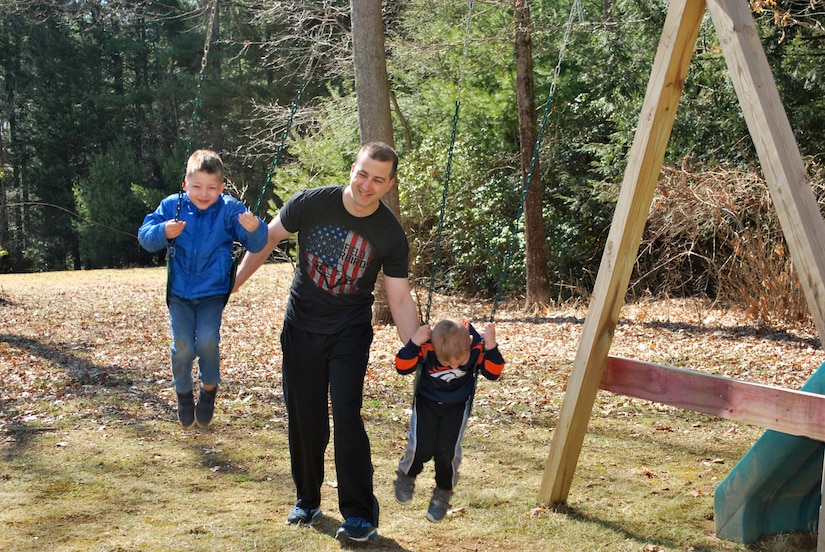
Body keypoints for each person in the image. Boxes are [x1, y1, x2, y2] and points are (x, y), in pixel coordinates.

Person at [232, 142, 419, 542]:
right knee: (305, 416)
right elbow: (266, 239)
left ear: (388, 185)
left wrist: (415, 346)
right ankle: (307, 500)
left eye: (378, 180)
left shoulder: (389, 233)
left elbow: (400, 297)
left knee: (347, 416)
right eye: (363, 174)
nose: (367, 185)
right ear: (354, 168)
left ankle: (358, 514)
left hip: (349, 331)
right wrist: (229, 287)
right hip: (301, 326)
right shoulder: (312, 203)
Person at [138, 149, 268, 429]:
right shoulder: (173, 205)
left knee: (207, 342)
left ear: (221, 188)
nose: (204, 193)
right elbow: (145, 237)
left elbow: (257, 244)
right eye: (196, 186)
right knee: (183, 347)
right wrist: (164, 231)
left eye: (211, 188)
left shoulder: (229, 209)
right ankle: (183, 394)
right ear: (185, 185)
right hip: (180, 293)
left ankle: (209, 390)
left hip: (212, 292)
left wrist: (256, 229)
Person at [393, 318, 504, 522]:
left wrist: (491, 345)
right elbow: (402, 367)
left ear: (470, 342)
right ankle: (406, 475)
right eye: (447, 363)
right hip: (426, 403)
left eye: (459, 362)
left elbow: (493, 373)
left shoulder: (475, 346)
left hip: (456, 407)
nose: (454, 365)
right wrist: (415, 342)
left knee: (447, 452)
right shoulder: (429, 346)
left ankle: (443, 491)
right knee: (421, 447)